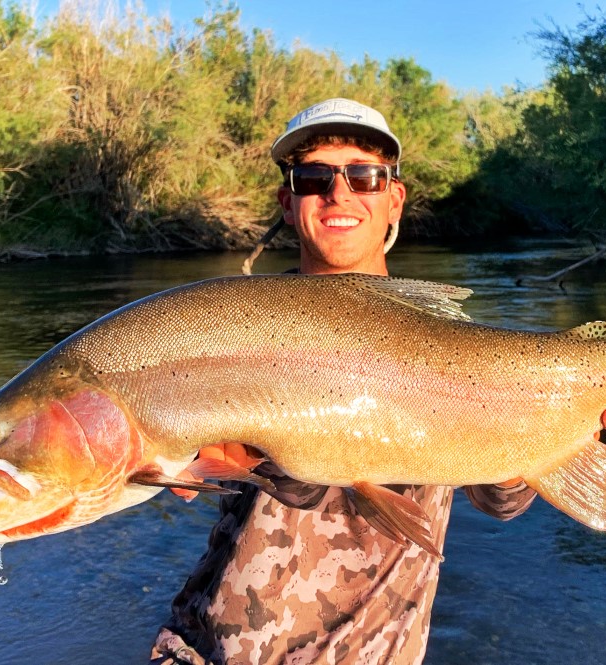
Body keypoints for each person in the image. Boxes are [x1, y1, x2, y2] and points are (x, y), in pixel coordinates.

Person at [150, 98, 538, 665]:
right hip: (204, 651)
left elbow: (500, 499)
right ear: (289, 202)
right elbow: (163, 469)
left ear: (394, 198)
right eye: (313, 177)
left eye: (364, 175)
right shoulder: (230, 325)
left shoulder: (448, 341)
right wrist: (185, 463)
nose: (340, 193)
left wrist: (573, 422)